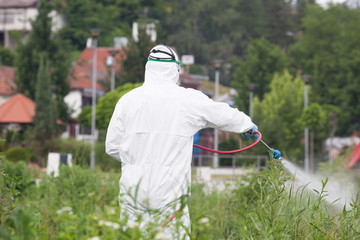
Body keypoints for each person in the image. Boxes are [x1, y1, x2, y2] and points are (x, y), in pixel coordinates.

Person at [105, 44, 258, 239]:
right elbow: (221, 113)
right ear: (174, 69)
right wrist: (246, 125)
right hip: (169, 196)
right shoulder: (186, 99)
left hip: (133, 194)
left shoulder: (127, 101)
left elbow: (111, 146)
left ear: (148, 68)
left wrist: (138, 153)